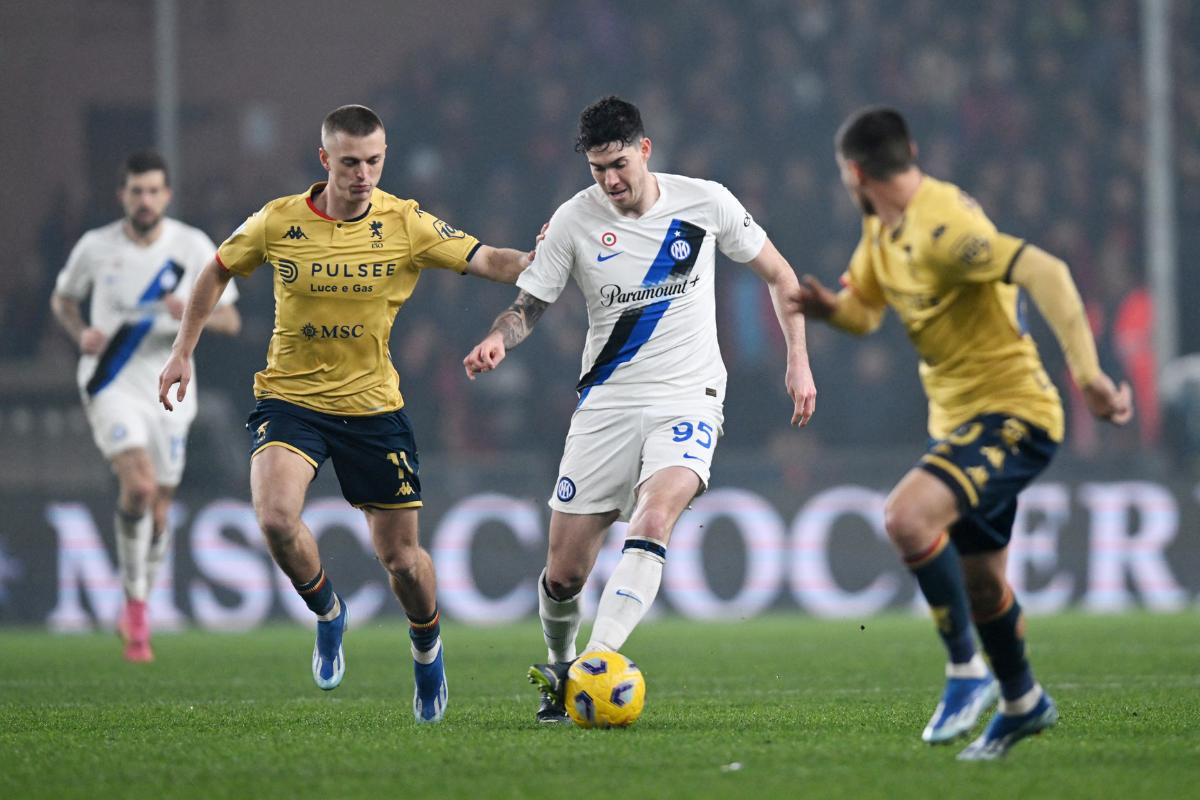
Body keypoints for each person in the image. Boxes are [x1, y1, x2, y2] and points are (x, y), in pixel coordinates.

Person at [158, 104, 534, 722]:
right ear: (325, 159)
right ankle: (329, 612)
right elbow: (216, 270)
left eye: (375, 161)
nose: (364, 174)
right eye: (352, 162)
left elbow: (490, 259)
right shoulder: (278, 221)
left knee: (402, 563)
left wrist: (542, 257)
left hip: (372, 407)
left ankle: (427, 647)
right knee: (276, 520)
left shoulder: (405, 222)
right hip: (291, 399)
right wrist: (182, 350)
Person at [463, 95, 817, 723]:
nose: (610, 180)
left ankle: (593, 668)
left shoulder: (705, 202)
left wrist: (798, 360)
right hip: (606, 405)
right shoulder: (573, 220)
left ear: (645, 149)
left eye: (619, 163)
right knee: (564, 574)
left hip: (690, 397)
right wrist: (499, 337)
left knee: (653, 519)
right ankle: (562, 662)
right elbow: (529, 305)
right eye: (598, 169)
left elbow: (782, 274)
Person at [797, 107, 1133, 760]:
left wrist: (1088, 375)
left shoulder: (944, 227)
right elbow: (867, 313)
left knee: (907, 518)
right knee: (982, 585)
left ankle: (965, 672)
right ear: (909, 151)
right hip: (960, 424)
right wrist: (831, 311)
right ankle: (1023, 703)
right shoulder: (881, 232)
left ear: (855, 173)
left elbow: (1048, 271)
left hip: (1015, 414)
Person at [51, 152, 241, 662]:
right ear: (123, 196)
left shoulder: (193, 246)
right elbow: (62, 300)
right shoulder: (97, 247)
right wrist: (79, 332)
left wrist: (194, 314)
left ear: (167, 195)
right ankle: (136, 609)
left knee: (158, 509)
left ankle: (137, 600)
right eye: (136, 191)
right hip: (111, 378)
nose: (145, 200)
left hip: (171, 386)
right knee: (136, 485)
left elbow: (231, 322)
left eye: (154, 191)